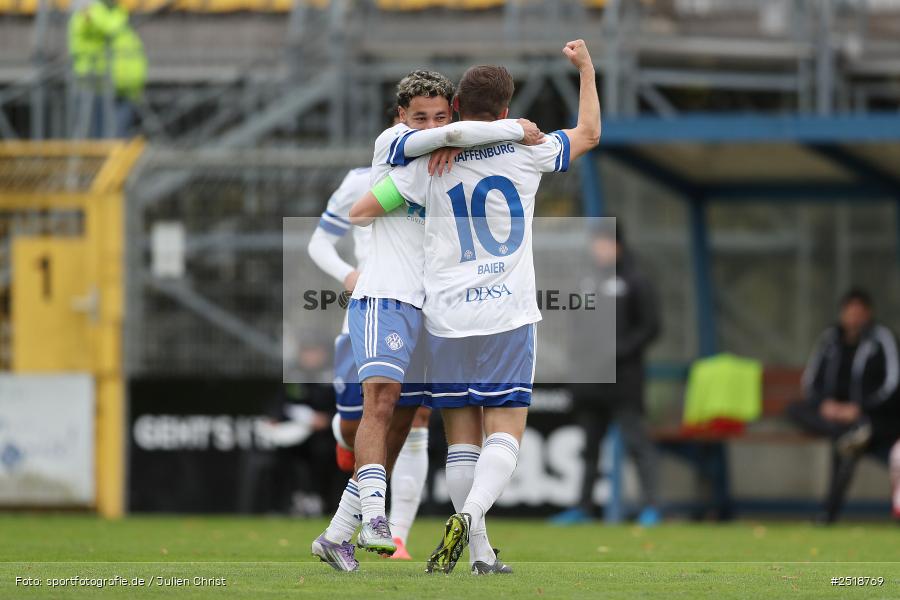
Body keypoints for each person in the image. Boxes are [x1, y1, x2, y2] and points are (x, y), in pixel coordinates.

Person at [351, 39, 601, 574]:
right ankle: (469, 515)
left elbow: (365, 209)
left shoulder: (429, 160)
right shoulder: (529, 150)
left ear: (457, 109)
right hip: (507, 311)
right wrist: (584, 69)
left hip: (445, 316)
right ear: (506, 111)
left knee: (461, 436)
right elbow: (590, 133)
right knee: (506, 429)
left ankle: (482, 553)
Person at [310, 70, 544, 572]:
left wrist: (467, 150)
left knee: (407, 422)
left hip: (430, 308)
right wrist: (511, 129)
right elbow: (360, 211)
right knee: (376, 408)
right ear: (400, 119)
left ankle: (338, 533)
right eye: (420, 117)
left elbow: (458, 142)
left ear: (453, 109)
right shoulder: (397, 147)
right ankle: (376, 517)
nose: (432, 125)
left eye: (440, 115)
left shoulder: (449, 165)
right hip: (383, 297)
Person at [551, 222, 662, 526]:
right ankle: (583, 507)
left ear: (619, 245)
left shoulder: (636, 281)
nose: (600, 248)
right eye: (596, 242)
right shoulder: (584, 281)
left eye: (606, 242)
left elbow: (651, 327)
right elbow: (574, 327)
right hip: (589, 380)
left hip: (624, 380)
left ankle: (651, 507)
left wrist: (618, 351)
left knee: (636, 442)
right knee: (589, 447)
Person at [788, 288, 900, 523]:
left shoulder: (882, 338)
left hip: (875, 419)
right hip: (835, 419)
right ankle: (850, 434)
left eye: (859, 312)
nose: (854, 317)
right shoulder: (830, 339)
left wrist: (859, 409)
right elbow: (811, 381)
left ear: (868, 313)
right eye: (850, 311)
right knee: (796, 411)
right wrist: (826, 406)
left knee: (857, 446)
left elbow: (893, 383)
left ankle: (828, 514)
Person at [68, 0, 146, 138]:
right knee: (100, 135)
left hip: (123, 83)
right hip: (98, 82)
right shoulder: (91, 12)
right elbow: (105, 27)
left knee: (117, 134)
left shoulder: (117, 12)